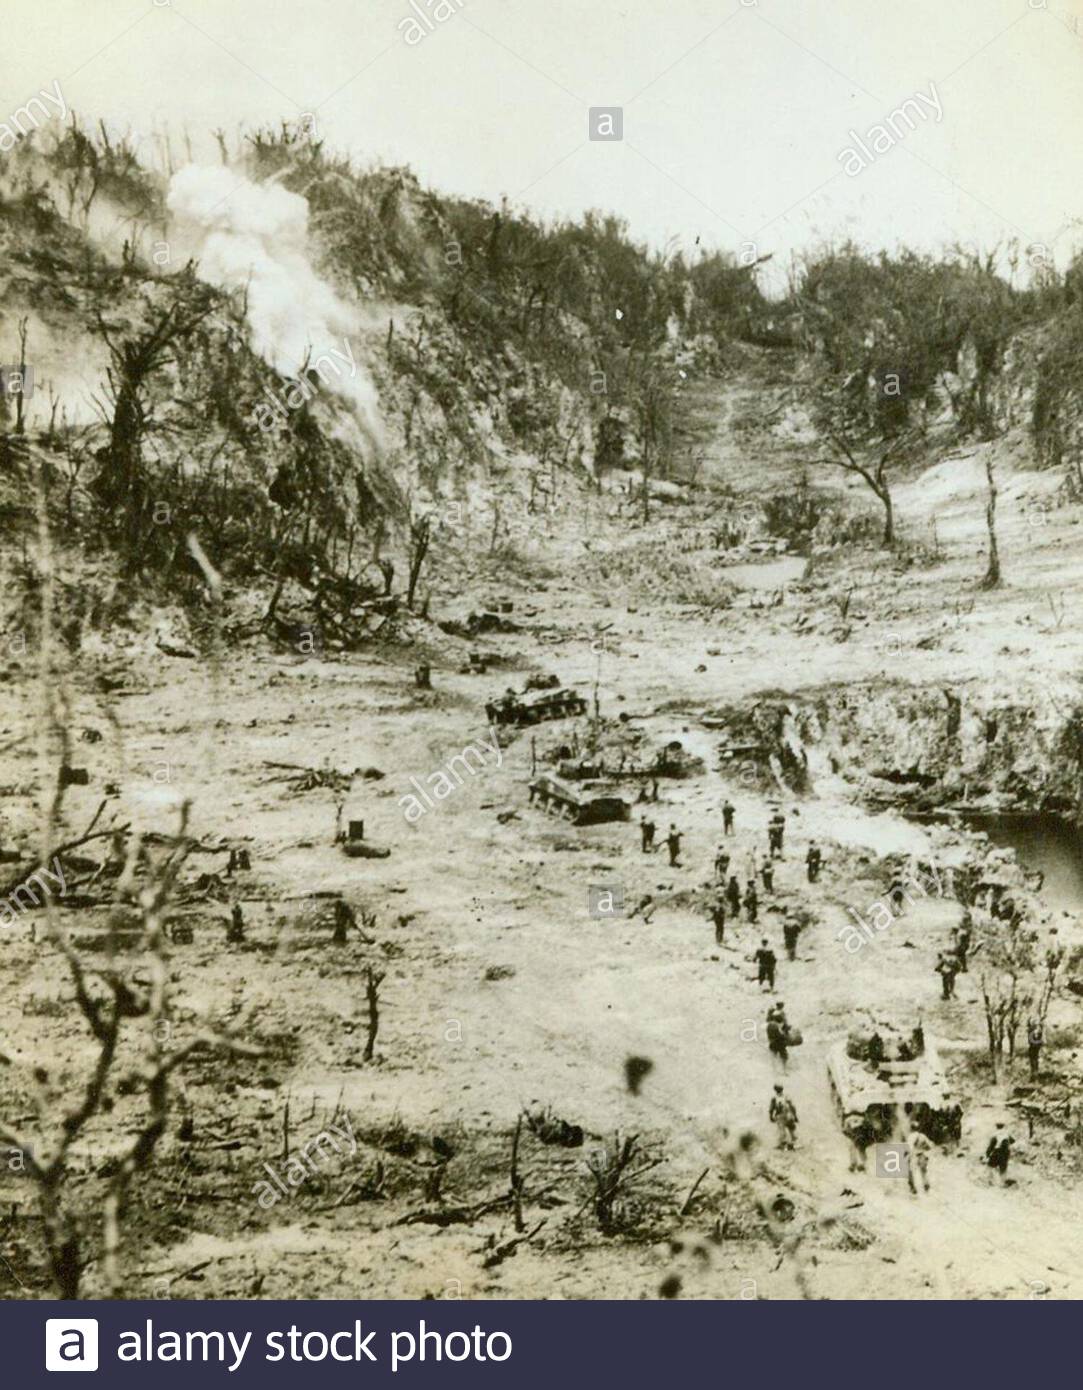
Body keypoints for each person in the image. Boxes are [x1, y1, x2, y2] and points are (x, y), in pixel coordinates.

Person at [769, 1085, 797, 1150]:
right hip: (788, 1115)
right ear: (782, 1089)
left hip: (780, 1116)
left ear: (775, 1090)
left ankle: (784, 1144)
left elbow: (771, 1109)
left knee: (782, 1130)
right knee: (791, 1129)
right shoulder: (787, 1096)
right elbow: (792, 1106)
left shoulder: (774, 1098)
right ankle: (793, 1143)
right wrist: (795, 1115)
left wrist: (771, 1116)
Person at [766, 1002, 789, 1067]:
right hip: (779, 1043)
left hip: (772, 1042)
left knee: (773, 1056)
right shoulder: (776, 1025)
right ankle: (784, 1069)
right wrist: (785, 1036)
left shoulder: (769, 1025)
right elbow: (780, 1034)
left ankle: (774, 1069)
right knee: (784, 1056)